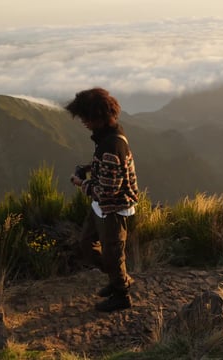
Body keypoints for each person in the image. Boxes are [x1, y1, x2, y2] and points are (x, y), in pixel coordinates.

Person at [66, 87, 139, 312]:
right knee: (87, 244)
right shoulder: (108, 137)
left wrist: (81, 183)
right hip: (101, 208)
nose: (83, 122)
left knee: (113, 253)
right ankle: (118, 278)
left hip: (114, 209)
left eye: (85, 117)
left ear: (97, 116)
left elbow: (108, 190)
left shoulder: (111, 145)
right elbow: (109, 168)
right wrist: (90, 168)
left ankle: (122, 295)